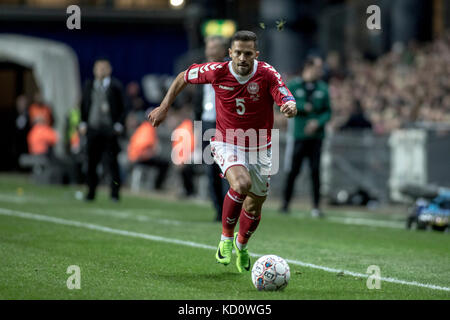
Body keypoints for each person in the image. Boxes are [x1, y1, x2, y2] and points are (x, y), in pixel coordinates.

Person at [148, 30, 297, 273]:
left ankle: (242, 243)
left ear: (255, 54)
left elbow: (282, 91)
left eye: (248, 53)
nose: (242, 58)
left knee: (254, 206)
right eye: (237, 53)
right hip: (226, 141)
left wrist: (288, 104)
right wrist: (164, 107)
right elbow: (183, 77)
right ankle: (226, 238)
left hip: (260, 145)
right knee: (241, 183)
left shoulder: (266, 72)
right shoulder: (216, 71)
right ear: (230, 53)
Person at [280, 56, 332, 218]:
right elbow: (284, 101)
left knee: (315, 171)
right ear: (308, 68)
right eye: (318, 68)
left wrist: (318, 122)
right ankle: (285, 203)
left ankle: (316, 206)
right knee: (293, 170)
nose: (320, 71)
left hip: (316, 137)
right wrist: (303, 106)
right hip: (297, 135)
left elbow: (328, 111)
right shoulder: (294, 85)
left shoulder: (323, 88)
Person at [79, 58, 126, 202]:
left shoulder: (115, 86)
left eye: (104, 68)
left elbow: (123, 108)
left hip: (109, 131)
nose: (101, 71)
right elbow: (84, 105)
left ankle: (114, 194)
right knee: (91, 163)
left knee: (112, 163)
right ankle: (91, 192)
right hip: (93, 130)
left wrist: (118, 124)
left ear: (109, 69)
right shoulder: (89, 85)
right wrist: (83, 123)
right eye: (98, 68)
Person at [194, 35, 230, 221]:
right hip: (207, 123)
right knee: (211, 168)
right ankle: (218, 209)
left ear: (224, 50)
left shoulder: (230, 69)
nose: (210, 50)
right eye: (208, 46)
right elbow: (196, 99)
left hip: (228, 125)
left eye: (214, 47)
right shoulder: (200, 69)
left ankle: (228, 209)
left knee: (228, 168)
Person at [127, 112, 170, 190]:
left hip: (134, 156)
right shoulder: (148, 128)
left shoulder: (142, 127)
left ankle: (156, 186)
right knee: (164, 164)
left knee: (160, 162)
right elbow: (146, 148)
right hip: (139, 157)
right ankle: (157, 187)